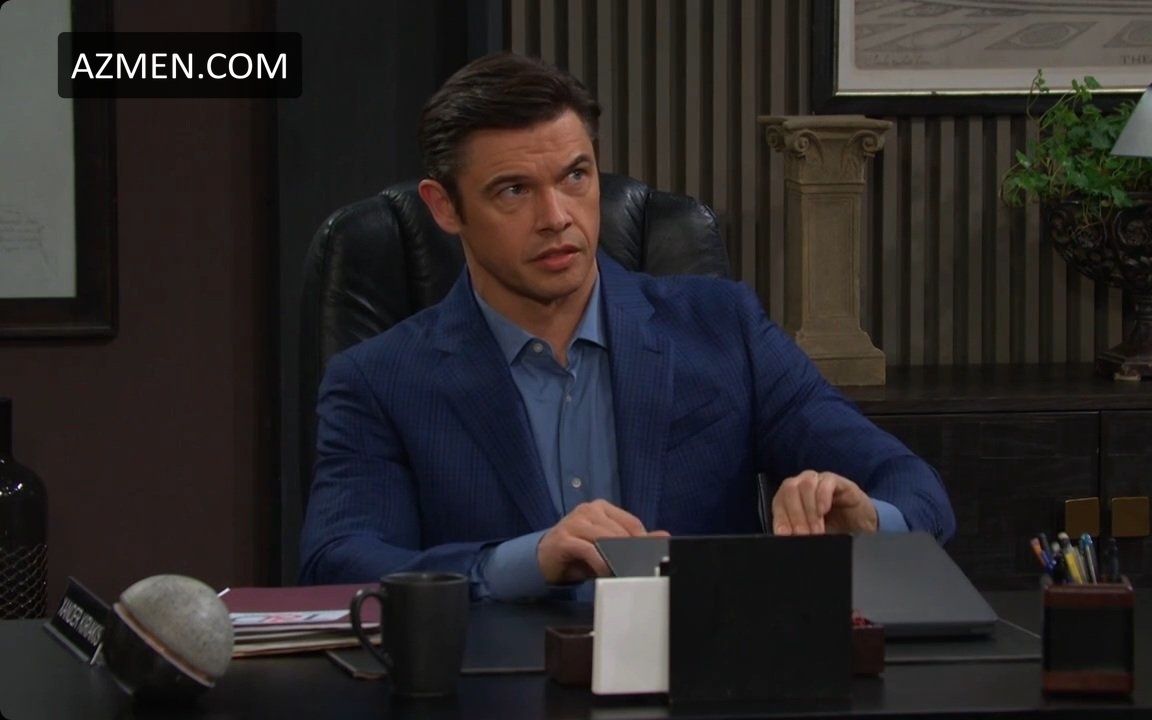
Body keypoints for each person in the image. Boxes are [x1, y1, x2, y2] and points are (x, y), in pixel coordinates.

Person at [299, 52, 955, 600]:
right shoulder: (379, 381)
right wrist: (527, 561)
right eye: (513, 191)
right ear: (445, 207)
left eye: (574, 176)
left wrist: (866, 519)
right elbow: (338, 563)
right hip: (497, 686)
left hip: (699, 678)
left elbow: (917, 491)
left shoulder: (722, 328)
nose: (557, 217)